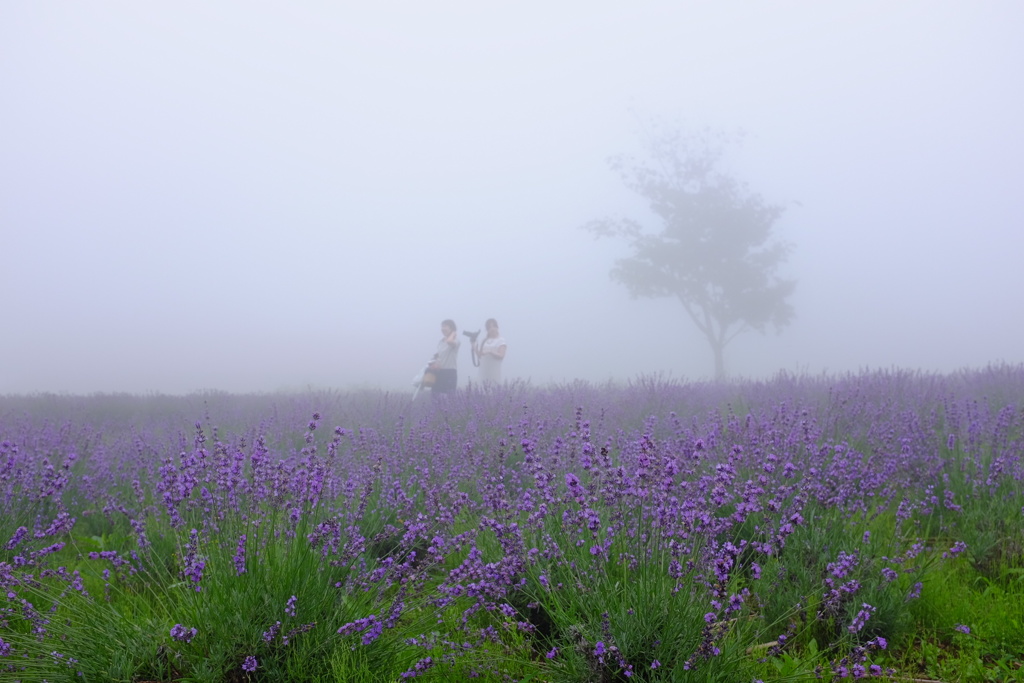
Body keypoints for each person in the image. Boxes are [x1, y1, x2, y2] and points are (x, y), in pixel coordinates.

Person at [428, 319, 460, 394]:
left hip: (449, 372)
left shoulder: (456, 340)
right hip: (438, 372)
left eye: (445, 326)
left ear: (451, 328)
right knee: (435, 398)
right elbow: (438, 355)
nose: (442, 329)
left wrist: (453, 333)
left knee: (449, 399)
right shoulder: (441, 341)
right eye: (442, 326)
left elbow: (449, 341)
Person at [474, 318, 507, 385]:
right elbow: (480, 355)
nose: (492, 329)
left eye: (494, 326)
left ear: (497, 327)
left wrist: (490, 352)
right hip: (483, 371)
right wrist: (473, 345)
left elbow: (501, 355)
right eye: (489, 327)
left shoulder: (501, 341)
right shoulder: (484, 340)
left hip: (494, 371)